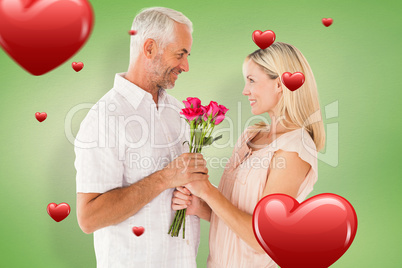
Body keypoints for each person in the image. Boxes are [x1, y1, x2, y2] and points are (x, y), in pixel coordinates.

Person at [74, 7, 208, 268]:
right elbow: (89, 218)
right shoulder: (104, 119)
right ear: (149, 49)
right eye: (180, 54)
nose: (186, 66)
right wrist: (165, 178)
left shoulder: (179, 112)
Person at [172, 42, 326, 267]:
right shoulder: (250, 135)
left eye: (252, 80)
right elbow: (238, 218)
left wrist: (207, 190)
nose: (245, 90)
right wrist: (200, 205)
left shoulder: (295, 148)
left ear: (280, 84)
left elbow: (263, 238)